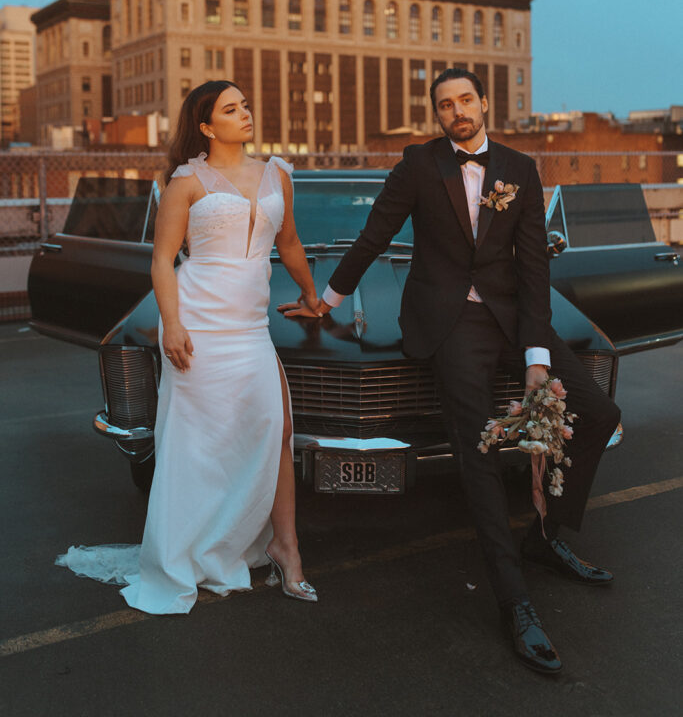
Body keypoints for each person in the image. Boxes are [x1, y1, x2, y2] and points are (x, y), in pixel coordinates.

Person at [307, 67, 620, 674]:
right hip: (448, 322)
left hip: (513, 316)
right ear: (437, 115)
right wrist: (328, 299)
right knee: (476, 455)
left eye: (466, 100)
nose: (458, 111)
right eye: (445, 105)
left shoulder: (520, 170)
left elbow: (534, 270)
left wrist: (536, 358)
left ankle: (546, 537)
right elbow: (375, 232)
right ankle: (515, 603)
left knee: (601, 411)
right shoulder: (421, 165)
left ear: (484, 103)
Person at [56, 80, 320, 613]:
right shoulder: (186, 181)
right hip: (199, 324)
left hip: (249, 328)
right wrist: (170, 324)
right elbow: (163, 260)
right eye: (231, 109)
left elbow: (288, 243)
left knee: (278, 429)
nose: (245, 113)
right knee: (199, 444)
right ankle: (193, 547)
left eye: (245, 104)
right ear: (205, 126)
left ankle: (285, 547)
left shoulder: (278, 174)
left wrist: (312, 294)